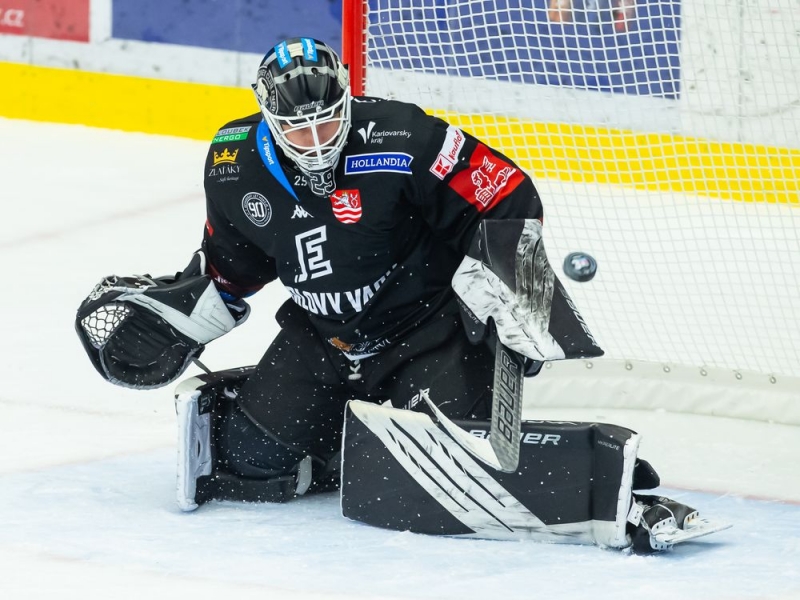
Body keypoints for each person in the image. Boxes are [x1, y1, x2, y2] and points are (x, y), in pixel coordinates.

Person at [76, 37, 720, 554]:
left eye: (328, 121)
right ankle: (342, 438)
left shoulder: (405, 136)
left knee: (452, 476)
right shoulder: (231, 162)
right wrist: (191, 312)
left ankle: (617, 497)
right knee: (249, 464)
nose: (317, 141)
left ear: (346, 97)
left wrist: (510, 283)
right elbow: (234, 264)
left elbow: (505, 192)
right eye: (298, 130)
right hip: (321, 339)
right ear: (268, 118)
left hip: (427, 334)